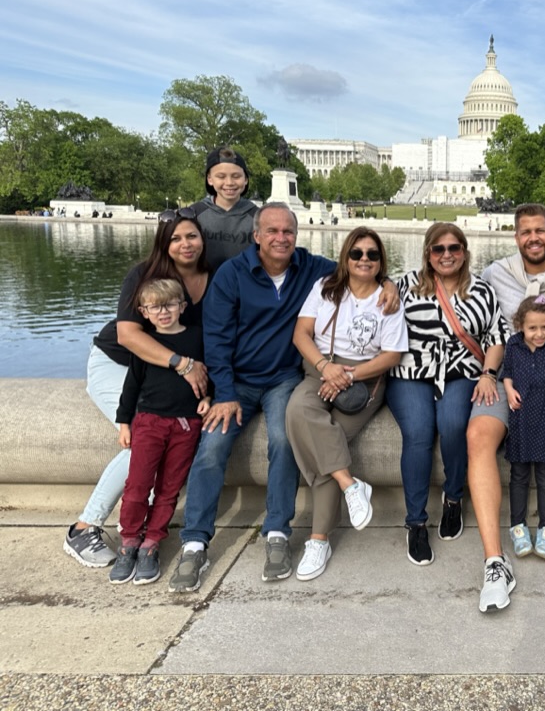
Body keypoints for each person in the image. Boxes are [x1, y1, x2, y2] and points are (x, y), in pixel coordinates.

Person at [169, 204, 396, 592]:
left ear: (296, 235)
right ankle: (194, 541)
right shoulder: (232, 275)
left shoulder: (310, 268)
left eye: (288, 231)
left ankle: (276, 534)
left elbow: (358, 268)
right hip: (236, 381)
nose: (280, 238)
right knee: (212, 447)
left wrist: (389, 284)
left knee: (284, 440)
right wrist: (223, 393)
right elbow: (217, 340)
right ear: (256, 235)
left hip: (282, 379)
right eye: (272, 231)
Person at [63, 209, 211, 568]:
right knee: (141, 443)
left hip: (168, 377)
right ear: (164, 242)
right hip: (119, 364)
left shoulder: (214, 277)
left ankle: (141, 530)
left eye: (191, 236)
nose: (184, 244)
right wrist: (183, 364)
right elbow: (129, 336)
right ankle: (85, 527)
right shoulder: (144, 275)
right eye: (175, 238)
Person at [467, 203, 545, 613]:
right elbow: (461, 298)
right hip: (510, 377)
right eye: (525, 232)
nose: (533, 238)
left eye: (540, 230)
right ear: (516, 236)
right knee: (478, 436)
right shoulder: (494, 274)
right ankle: (494, 560)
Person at [285, 227, 407, 581]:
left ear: (381, 260)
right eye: (357, 253)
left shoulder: (388, 299)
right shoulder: (325, 288)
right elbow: (300, 333)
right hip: (320, 371)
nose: (364, 259)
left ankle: (318, 539)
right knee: (299, 413)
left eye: (372, 254)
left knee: (327, 437)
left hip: (363, 381)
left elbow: (392, 355)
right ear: (346, 258)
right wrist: (327, 367)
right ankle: (350, 485)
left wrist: (349, 375)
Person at [389, 223, 509, 567]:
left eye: (454, 248)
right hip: (411, 371)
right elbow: (372, 293)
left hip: (463, 371)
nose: (446, 255)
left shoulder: (481, 291)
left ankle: (453, 498)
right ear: (428, 253)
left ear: (464, 252)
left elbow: (496, 336)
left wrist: (488, 373)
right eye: (438, 249)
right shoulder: (405, 285)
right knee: (418, 433)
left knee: (455, 424)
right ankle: (415, 521)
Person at [109, 279, 212, 585]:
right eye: (155, 307)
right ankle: (129, 540)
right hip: (149, 422)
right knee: (138, 486)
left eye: (169, 305)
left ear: (182, 307)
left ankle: (152, 542)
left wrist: (209, 398)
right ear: (145, 312)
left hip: (185, 424)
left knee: (168, 489)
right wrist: (125, 422)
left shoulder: (198, 338)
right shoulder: (147, 345)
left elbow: (212, 372)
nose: (163, 311)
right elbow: (132, 386)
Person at [502, 295, 545, 561]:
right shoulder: (514, 345)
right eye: (532, 328)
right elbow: (507, 372)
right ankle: (517, 527)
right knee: (518, 474)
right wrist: (508, 390)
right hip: (520, 417)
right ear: (521, 325)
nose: (539, 333)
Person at [187, 147, 260, 271]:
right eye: (221, 176)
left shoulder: (258, 216)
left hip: (243, 285)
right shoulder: (193, 214)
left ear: (246, 179)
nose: (229, 182)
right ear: (210, 179)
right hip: (204, 286)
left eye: (236, 176)